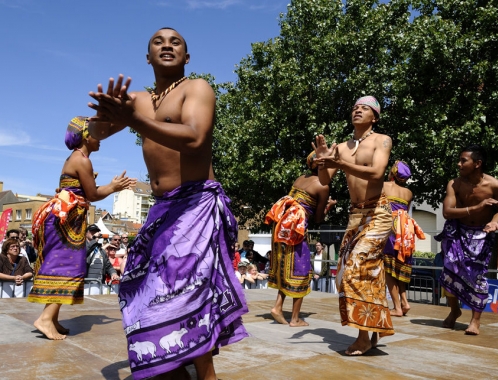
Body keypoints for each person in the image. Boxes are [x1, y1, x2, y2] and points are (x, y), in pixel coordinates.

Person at [88, 27, 248, 380]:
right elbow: (97, 134)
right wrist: (102, 119)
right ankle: (172, 365)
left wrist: (133, 120)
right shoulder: (141, 101)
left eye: (175, 41)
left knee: (183, 291)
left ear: (186, 57)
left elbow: (194, 138)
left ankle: (206, 373)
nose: (166, 45)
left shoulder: (197, 88)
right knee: (137, 287)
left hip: (195, 204)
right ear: (148, 57)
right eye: (158, 42)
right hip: (161, 210)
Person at [27, 116, 134, 341]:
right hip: (65, 222)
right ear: (86, 135)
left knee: (62, 266)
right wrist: (114, 187)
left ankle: (52, 318)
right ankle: (45, 319)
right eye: (97, 132)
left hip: (65, 220)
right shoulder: (82, 160)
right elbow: (93, 194)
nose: (101, 138)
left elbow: (88, 192)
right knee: (68, 268)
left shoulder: (77, 157)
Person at [313, 95, 394, 355]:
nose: (357, 111)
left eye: (364, 108)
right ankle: (373, 329)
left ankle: (363, 337)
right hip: (355, 216)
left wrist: (340, 162)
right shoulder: (343, 146)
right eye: (355, 108)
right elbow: (325, 180)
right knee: (356, 273)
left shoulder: (382, 139)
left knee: (355, 267)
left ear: (375, 116)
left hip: (378, 212)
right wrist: (322, 161)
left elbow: (377, 173)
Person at [436, 145, 498, 335]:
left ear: (477, 163)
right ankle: (454, 311)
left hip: (482, 235)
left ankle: (475, 321)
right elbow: (447, 212)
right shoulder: (455, 184)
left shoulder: (496, 186)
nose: (459, 164)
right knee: (449, 272)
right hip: (457, 231)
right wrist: (477, 207)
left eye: (463, 160)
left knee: (477, 277)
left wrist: (494, 222)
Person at [265, 151, 336, 327]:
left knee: (285, 267)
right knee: (302, 269)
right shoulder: (323, 186)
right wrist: (328, 207)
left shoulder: (300, 178)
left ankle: (278, 307)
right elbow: (318, 218)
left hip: (282, 225)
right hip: (295, 228)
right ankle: (295, 319)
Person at [382, 161, 425, 317]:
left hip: (391, 228)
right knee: (399, 268)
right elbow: (404, 210)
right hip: (406, 230)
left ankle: (397, 308)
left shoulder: (384, 186)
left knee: (389, 270)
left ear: (392, 172)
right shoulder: (408, 193)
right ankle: (405, 302)